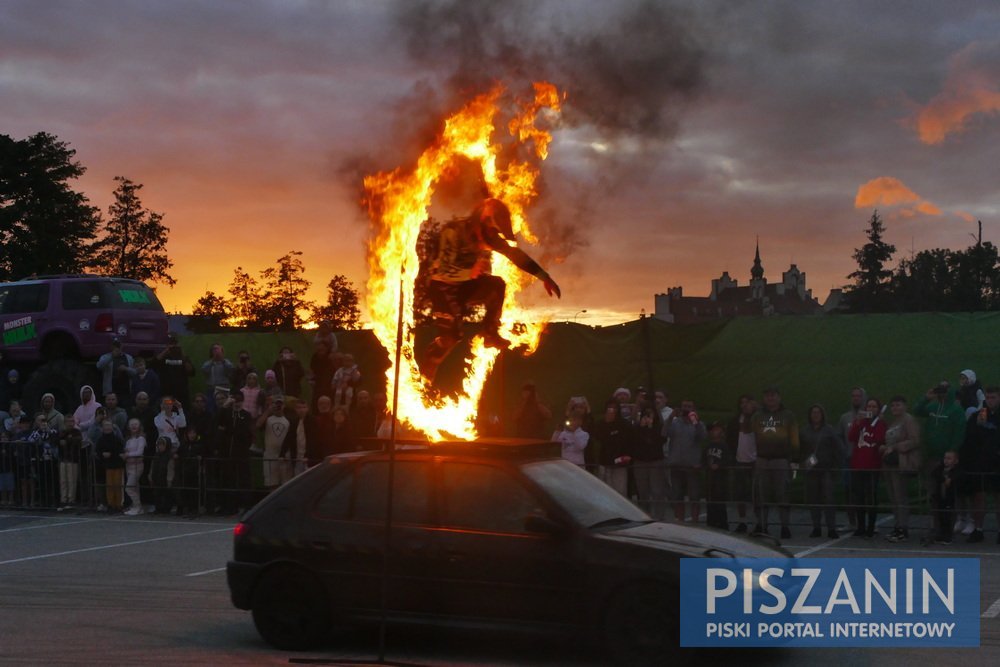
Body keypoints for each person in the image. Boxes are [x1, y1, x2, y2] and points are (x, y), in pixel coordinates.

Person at [419, 194, 561, 381]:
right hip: (443, 288)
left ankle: (490, 334)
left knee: (496, 285)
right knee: (451, 337)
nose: (495, 236)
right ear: (483, 221)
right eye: (493, 229)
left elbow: (513, 254)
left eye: (496, 232)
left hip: (465, 286)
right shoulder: (453, 232)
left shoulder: (489, 237)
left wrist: (543, 276)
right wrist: (470, 272)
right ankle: (425, 376)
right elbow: (443, 271)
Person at [750, 387, 799, 538]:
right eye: (767, 395)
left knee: (782, 493)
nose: (770, 398)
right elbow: (749, 434)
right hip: (762, 460)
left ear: (779, 397)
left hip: (781, 460)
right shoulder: (757, 416)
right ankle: (762, 525)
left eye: (773, 395)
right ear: (764, 398)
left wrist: (795, 459)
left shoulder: (788, 415)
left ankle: (785, 526)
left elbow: (794, 438)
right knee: (761, 494)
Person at [959, 386, 1000, 544]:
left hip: (997, 463)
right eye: (988, 398)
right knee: (979, 497)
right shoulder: (979, 416)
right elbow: (969, 439)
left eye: (994, 397)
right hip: (980, 463)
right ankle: (978, 530)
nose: (990, 401)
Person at [798, 404, 842, 538]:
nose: (816, 415)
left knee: (828, 499)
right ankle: (816, 527)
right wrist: (802, 464)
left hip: (826, 469)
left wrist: (835, 466)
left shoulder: (829, 430)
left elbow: (838, 448)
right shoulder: (804, 431)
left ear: (822, 414)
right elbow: (800, 450)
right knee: (813, 500)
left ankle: (831, 528)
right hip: (811, 470)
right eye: (813, 412)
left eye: (818, 412)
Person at [882, 396, 921, 542]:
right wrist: (885, 448)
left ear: (905, 406)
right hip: (890, 464)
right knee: (893, 497)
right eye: (893, 406)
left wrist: (896, 447)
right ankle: (897, 526)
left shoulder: (908, 420)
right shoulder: (893, 423)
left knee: (901, 497)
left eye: (898, 405)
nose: (895, 408)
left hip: (902, 463)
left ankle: (903, 528)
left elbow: (915, 440)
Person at [663, 399, 707, 523]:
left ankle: (695, 522)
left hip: (692, 467)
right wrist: (671, 417)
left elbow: (703, 437)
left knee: (694, 497)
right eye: (684, 406)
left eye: (689, 406)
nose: (686, 408)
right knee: (677, 497)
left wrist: (696, 422)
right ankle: (680, 521)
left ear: (694, 409)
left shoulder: (698, 423)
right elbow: (664, 433)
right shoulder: (675, 422)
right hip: (676, 465)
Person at [848, 398, 885, 538]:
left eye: (874, 406)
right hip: (857, 465)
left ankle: (871, 526)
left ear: (878, 409)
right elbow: (851, 437)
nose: (870, 409)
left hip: (872, 466)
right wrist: (858, 422)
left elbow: (880, 439)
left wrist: (876, 423)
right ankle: (861, 526)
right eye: (868, 406)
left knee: (871, 497)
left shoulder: (881, 424)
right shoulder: (861, 423)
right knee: (859, 497)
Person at [727, 395, 757, 533]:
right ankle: (742, 522)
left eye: (747, 403)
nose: (744, 405)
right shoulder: (734, 421)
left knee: (757, 493)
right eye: (742, 403)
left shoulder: (758, 419)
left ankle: (759, 522)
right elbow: (729, 441)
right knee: (740, 493)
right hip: (739, 461)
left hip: (756, 462)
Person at [591, 400, 633, 497]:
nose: (612, 410)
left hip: (620, 463)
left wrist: (628, 455)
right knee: (606, 492)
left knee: (620, 492)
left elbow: (630, 440)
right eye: (610, 408)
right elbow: (598, 438)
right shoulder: (601, 424)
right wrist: (607, 424)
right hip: (605, 462)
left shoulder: (624, 424)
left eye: (614, 408)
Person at [632, 407, 665, 518]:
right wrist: (641, 427)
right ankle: (644, 516)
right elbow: (634, 440)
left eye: (650, 414)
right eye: (646, 414)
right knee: (642, 491)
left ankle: (659, 516)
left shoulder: (659, 427)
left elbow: (659, 441)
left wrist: (651, 428)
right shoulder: (636, 428)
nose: (648, 417)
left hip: (655, 461)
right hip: (640, 461)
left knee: (657, 491)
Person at [927, 450, 962, 545]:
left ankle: (948, 535)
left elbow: (958, 476)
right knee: (940, 516)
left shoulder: (956, 470)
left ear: (955, 461)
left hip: (950, 498)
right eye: (945, 458)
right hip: (940, 497)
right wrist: (944, 479)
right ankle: (940, 534)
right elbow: (934, 474)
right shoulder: (940, 469)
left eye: (949, 458)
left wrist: (950, 479)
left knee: (949, 517)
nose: (946, 460)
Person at [27, 412, 60, 507]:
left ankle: (55, 501)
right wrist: (40, 433)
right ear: (37, 422)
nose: (43, 422)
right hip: (41, 460)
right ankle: (44, 501)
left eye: (44, 420)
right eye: (41, 420)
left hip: (51, 459)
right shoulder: (35, 432)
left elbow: (56, 437)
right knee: (42, 481)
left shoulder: (52, 431)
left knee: (53, 480)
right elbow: (31, 440)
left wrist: (47, 431)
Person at [258, 395, 290, 489]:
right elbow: (258, 425)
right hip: (270, 456)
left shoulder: (289, 420)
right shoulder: (267, 419)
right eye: (276, 404)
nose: (278, 406)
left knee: (285, 485)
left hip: (284, 457)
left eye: (280, 404)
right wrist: (268, 411)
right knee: (272, 484)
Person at [94, 418, 125, 513]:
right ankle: (111, 504)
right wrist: (102, 454)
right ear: (102, 428)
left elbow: (120, 451)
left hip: (117, 465)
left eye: (109, 425)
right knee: (109, 486)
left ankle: (119, 504)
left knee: (118, 485)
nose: (107, 427)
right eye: (105, 425)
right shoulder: (100, 440)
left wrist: (112, 454)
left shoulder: (117, 439)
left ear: (112, 427)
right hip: (107, 466)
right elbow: (98, 451)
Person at [704, 421, 730, 530]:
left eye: (717, 429)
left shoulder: (724, 446)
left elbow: (728, 459)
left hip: (720, 478)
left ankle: (722, 524)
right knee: (710, 502)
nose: (714, 431)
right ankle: (711, 523)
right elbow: (704, 459)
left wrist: (719, 465)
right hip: (710, 478)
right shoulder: (708, 446)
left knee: (719, 502)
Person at [156, 333, 194, 407]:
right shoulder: (163, 357)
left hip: (182, 394)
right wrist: (166, 351)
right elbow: (154, 363)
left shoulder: (184, 358)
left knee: (182, 413)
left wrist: (182, 354)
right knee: (167, 413)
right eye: (171, 344)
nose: (173, 347)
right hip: (167, 393)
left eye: (175, 344)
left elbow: (191, 372)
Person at [96, 340, 134, 408]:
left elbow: (135, 373)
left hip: (125, 393)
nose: (117, 348)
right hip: (110, 392)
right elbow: (99, 366)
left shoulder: (129, 358)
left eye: (118, 346)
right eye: (115, 346)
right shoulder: (105, 357)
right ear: (111, 346)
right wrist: (112, 356)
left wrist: (126, 369)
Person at [123, 418, 146, 515]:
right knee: (135, 487)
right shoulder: (128, 440)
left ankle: (138, 505)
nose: (134, 426)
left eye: (136, 424)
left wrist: (128, 455)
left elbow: (139, 452)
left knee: (129, 487)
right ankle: (136, 506)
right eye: (131, 424)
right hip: (129, 465)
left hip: (137, 465)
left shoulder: (141, 439)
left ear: (139, 426)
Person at [201, 344, 234, 413]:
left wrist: (222, 360)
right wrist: (213, 360)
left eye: (218, 349)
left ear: (222, 351)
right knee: (211, 409)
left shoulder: (226, 362)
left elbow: (231, 369)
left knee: (225, 408)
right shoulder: (208, 363)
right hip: (211, 389)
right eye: (214, 349)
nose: (216, 351)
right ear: (211, 352)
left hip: (223, 389)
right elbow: (204, 370)